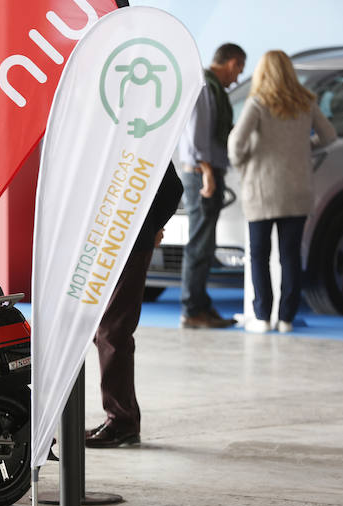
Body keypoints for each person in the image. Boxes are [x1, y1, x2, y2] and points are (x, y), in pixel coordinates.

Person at [228, 50, 336, 333]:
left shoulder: (257, 103)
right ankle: (286, 318)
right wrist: (304, 148)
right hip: (297, 189)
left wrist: (244, 162)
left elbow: (235, 143)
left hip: (262, 190)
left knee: (259, 255)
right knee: (289, 256)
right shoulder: (306, 103)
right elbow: (329, 136)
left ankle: (263, 316)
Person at [86, 165, 184, 448]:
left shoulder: (135, 133)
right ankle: (121, 418)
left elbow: (172, 188)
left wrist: (153, 226)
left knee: (111, 332)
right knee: (104, 331)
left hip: (128, 242)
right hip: (107, 243)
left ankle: (122, 422)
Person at [177, 43, 246, 329]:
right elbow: (196, 135)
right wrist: (207, 172)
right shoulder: (205, 86)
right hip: (201, 173)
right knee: (200, 244)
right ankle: (192, 310)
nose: (238, 78)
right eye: (239, 70)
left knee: (205, 242)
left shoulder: (211, 86)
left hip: (205, 171)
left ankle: (201, 305)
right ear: (231, 63)